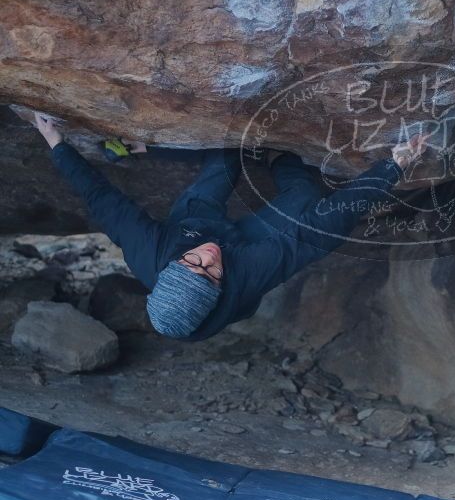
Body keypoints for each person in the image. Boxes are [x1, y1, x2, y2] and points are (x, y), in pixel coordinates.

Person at [34, 112, 430, 341]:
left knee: (228, 154)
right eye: (209, 272)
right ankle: (279, 158)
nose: (208, 256)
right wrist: (393, 167)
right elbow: (324, 228)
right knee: (305, 199)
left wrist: (55, 142)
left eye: (193, 262)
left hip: (193, 223)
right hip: (243, 254)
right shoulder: (246, 277)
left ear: (170, 267)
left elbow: (101, 199)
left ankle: (138, 148)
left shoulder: (148, 248)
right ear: (219, 287)